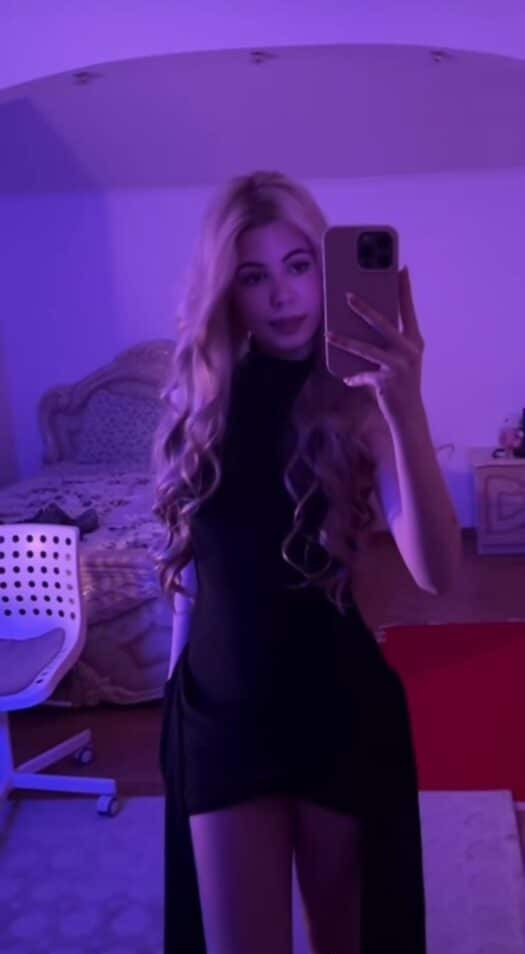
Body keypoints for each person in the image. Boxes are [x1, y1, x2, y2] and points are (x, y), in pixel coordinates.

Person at [154, 170, 460, 954]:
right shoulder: (201, 401)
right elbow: (195, 572)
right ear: (227, 291)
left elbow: (437, 575)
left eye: (297, 266)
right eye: (253, 276)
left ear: (325, 271)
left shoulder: (359, 402)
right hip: (220, 717)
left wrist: (406, 406)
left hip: (339, 711)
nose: (282, 295)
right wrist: (173, 694)